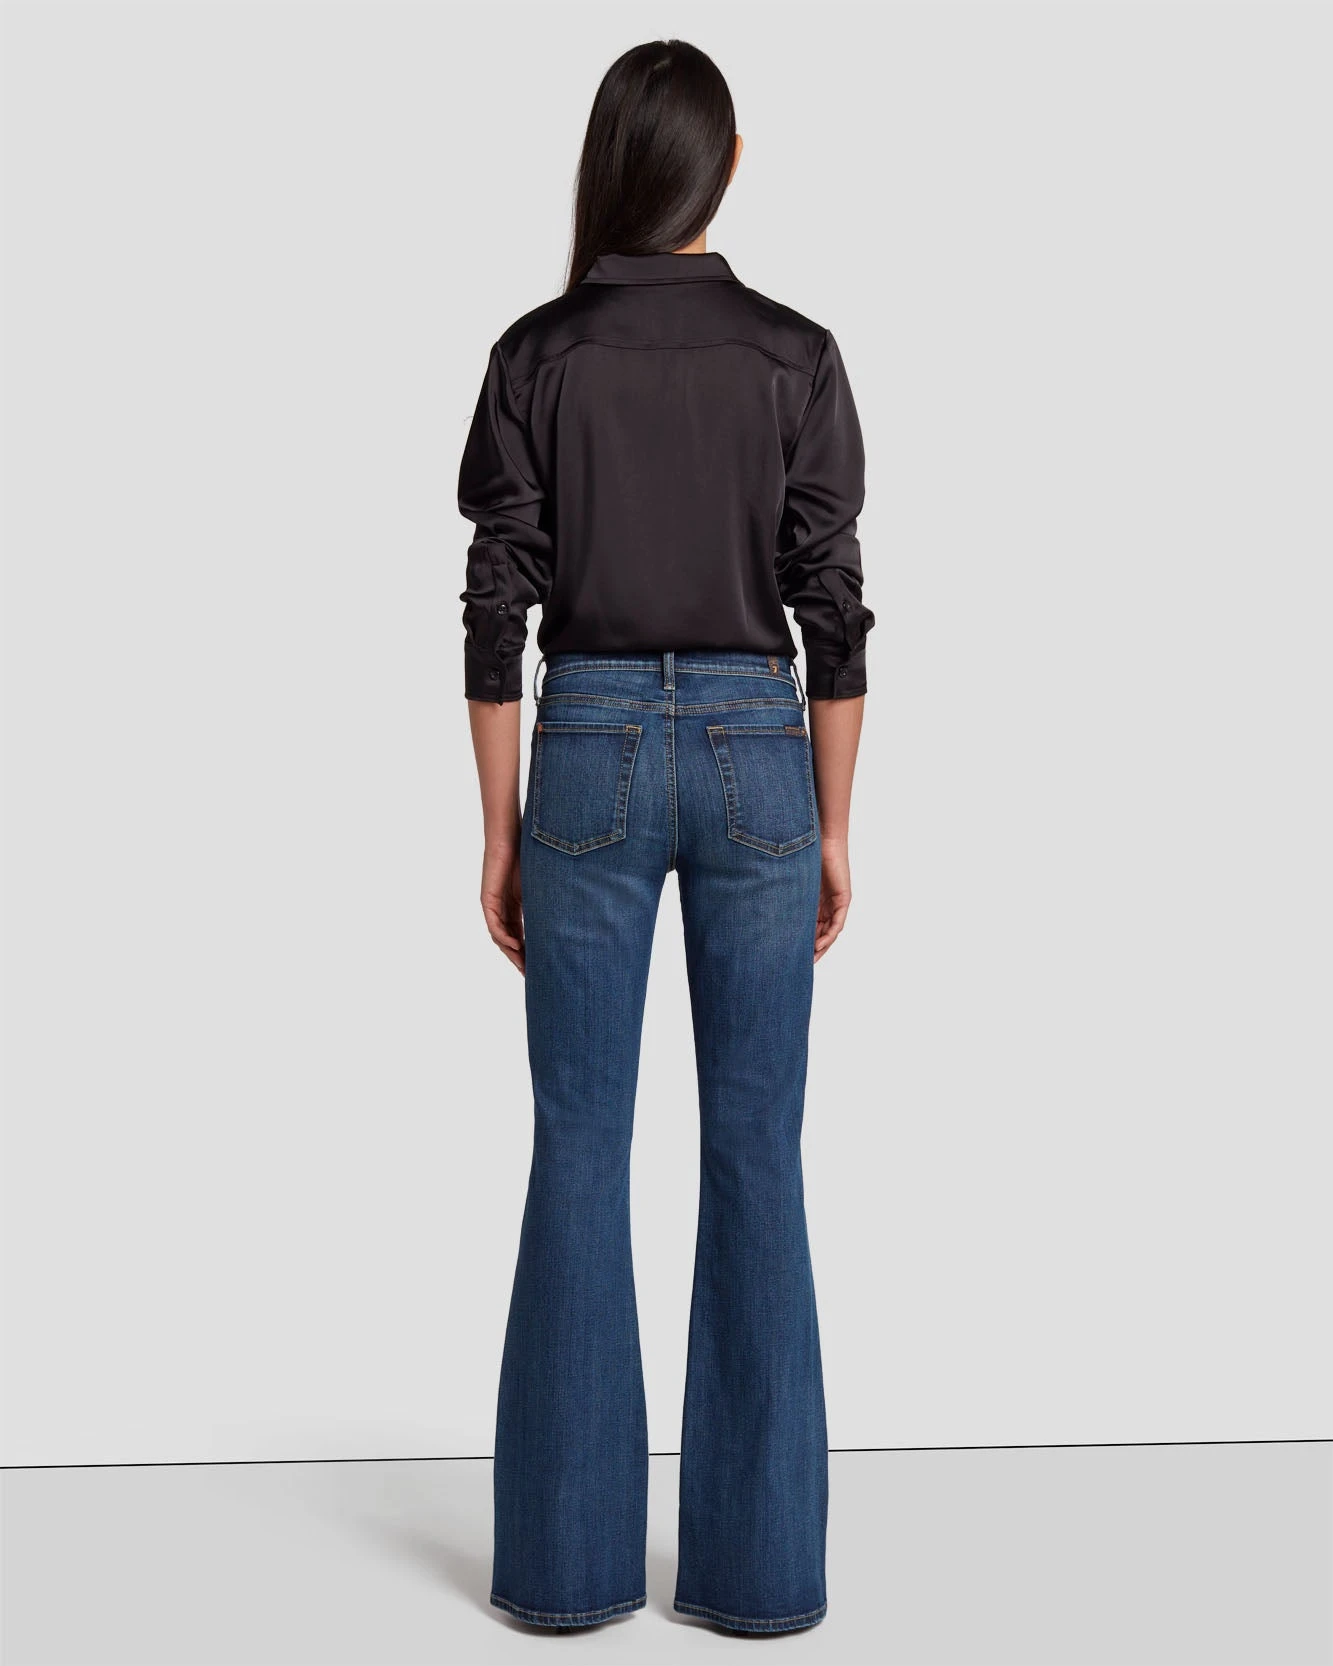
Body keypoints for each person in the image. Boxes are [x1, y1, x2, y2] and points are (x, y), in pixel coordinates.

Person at [456, 38, 873, 1637]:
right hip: (766, 751)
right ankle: (759, 1576)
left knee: (578, 1140)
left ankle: (567, 1573)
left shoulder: (535, 354)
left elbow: (495, 608)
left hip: (587, 749)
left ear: (613, 161)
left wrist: (498, 831)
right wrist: (832, 824)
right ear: (728, 164)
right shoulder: (797, 356)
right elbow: (835, 610)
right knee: (758, 1148)